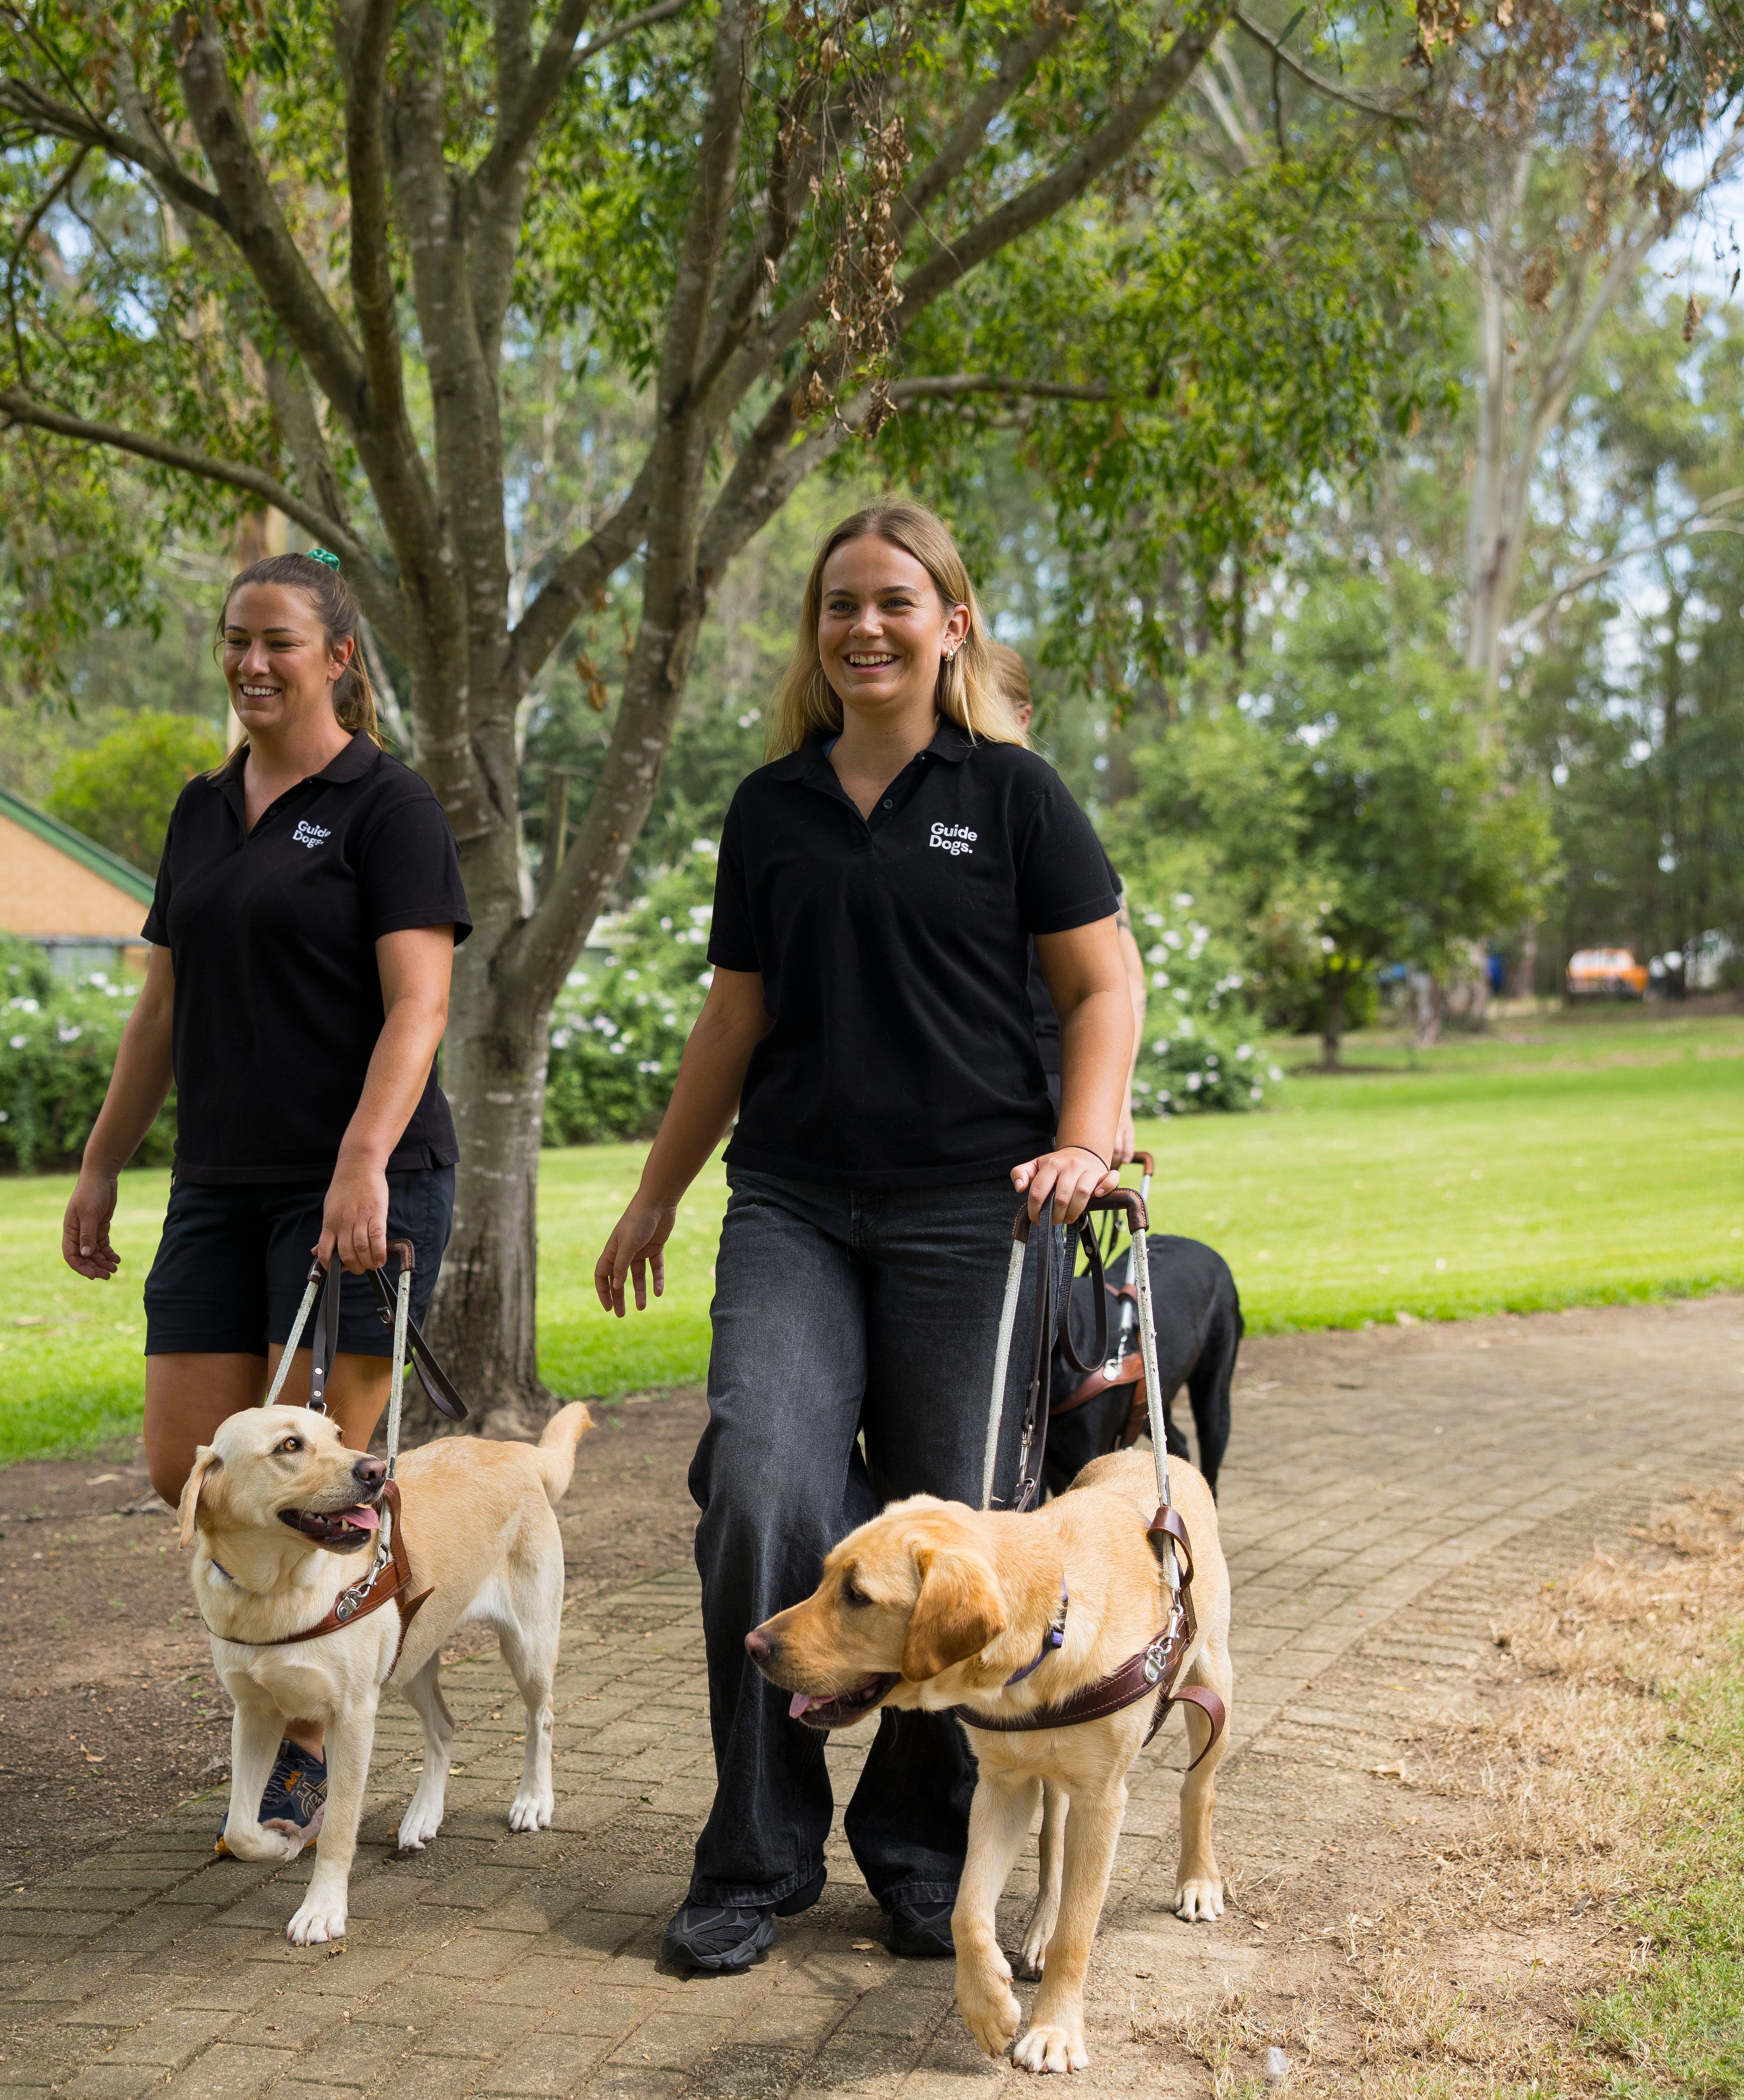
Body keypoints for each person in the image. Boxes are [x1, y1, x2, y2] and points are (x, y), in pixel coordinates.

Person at [592, 501, 1139, 1974]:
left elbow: (1102, 986)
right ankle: (755, 1855)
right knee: (762, 1486)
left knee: (951, 1531)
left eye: (895, 601)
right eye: (839, 605)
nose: (865, 627)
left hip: (979, 1213)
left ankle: (916, 1852)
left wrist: (1084, 1140)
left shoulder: (1013, 795)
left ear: (950, 622)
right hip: (793, 1205)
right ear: (817, 633)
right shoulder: (770, 805)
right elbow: (734, 1016)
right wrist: (655, 1190)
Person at [61, 548, 469, 1838]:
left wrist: (362, 1162)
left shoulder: (385, 806)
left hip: (361, 1185)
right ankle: (318, 1683)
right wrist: (101, 1159)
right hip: (220, 1186)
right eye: (235, 638)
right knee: (188, 1467)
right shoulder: (201, 808)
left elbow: (421, 1001)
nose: (250, 661)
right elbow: (163, 1007)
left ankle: (312, 1733)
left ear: (338, 657)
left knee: (329, 1483)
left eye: (278, 641)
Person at [986, 643, 1148, 1146]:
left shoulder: (1056, 825)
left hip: (1053, 1081)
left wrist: (1115, 1099)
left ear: (1022, 717)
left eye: (983, 711)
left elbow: (1127, 979)